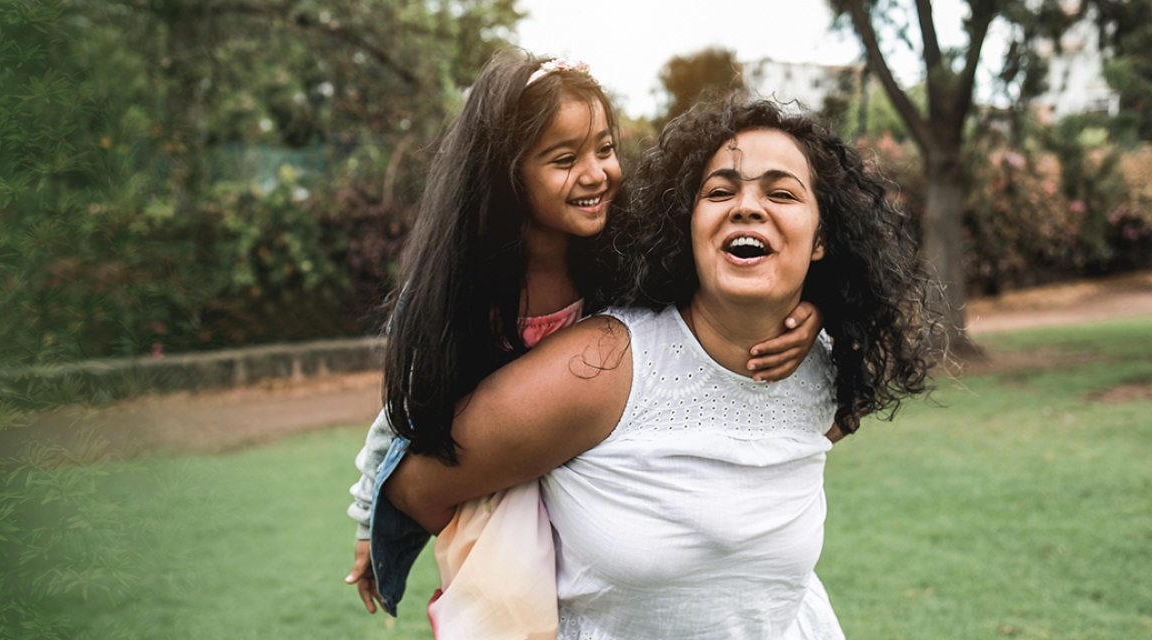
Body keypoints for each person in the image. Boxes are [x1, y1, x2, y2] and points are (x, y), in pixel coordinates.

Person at [382, 100, 941, 639]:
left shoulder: (827, 371)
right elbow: (416, 488)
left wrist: (827, 315)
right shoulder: (604, 365)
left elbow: (861, 380)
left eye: (781, 193)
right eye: (720, 191)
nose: (747, 207)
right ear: (689, 225)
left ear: (821, 239)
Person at [343, 52, 827, 634]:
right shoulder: (469, 287)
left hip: (594, 453)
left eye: (604, 149)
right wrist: (370, 520)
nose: (597, 173)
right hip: (506, 477)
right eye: (564, 160)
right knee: (508, 608)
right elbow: (399, 418)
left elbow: (714, 291)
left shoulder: (619, 248)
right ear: (508, 173)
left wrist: (815, 310)